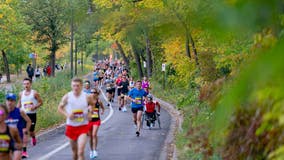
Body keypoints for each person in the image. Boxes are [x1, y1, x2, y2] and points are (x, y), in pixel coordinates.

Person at [58, 77, 92, 160]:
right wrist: (68, 115)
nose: (76, 88)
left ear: (81, 86)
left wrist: (90, 113)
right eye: (74, 86)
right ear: (71, 86)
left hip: (83, 126)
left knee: (80, 152)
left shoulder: (87, 97)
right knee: (75, 153)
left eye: (78, 86)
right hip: (71, 126)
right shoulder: (67, 97)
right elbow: (60, 108)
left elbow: (92, 104)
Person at [17, 78, 43, 158]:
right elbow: (19, 103)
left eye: (27, 84)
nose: (26, 85)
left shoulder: (34, 93)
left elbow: (41, 102)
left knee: (31, 131)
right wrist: (15, 111)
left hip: (32, 115)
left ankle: (33, 137)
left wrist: (35, 107)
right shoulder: (21, 93)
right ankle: (24, 152)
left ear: (30, 84)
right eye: (24, 84)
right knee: (24, 131)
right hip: (23, 115)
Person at [5, 93, 31, 160]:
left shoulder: (20, 111)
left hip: (18, 139)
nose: (9, 102)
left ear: (15, 102)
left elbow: (28, 121)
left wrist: (26, 130)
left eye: (11, 100)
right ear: (6, 101)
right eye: (8, 100)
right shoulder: (2, 113)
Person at [88, 88, 104, 159]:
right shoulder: (87, 101)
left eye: (94, 92)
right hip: (88, 121)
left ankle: (95, 150)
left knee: (94, 134)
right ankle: (91, 150)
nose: (93, 94)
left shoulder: (99, 101)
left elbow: (103, 108)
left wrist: (102, 111)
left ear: (96, 94)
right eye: (91, 92)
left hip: (96, 120)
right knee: (90, 136)